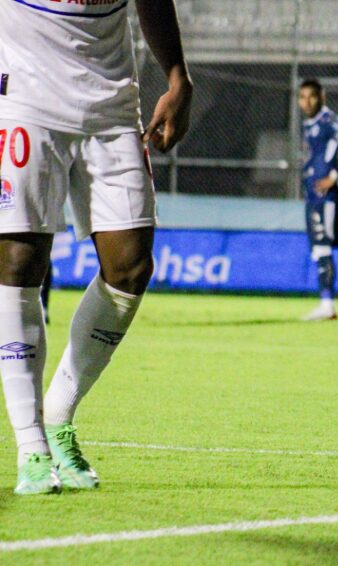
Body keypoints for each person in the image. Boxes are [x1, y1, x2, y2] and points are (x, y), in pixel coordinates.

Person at [0, 0, 193, 494]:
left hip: (110, 103)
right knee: (20, 260)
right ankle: (31, 446)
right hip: (24, 96)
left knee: (130, 267)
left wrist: (177, 77)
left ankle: (59, 411)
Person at [297, 79, 338, 321]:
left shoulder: (328, 120)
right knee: (317, 249)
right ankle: (325, 303)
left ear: (321, 97)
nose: (307, 101)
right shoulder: (310, 124)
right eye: (302, 97)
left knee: (323, 247)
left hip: (326, 196)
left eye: (311, 96)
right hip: (313, 195)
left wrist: (332, 177)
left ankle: (327, 304)